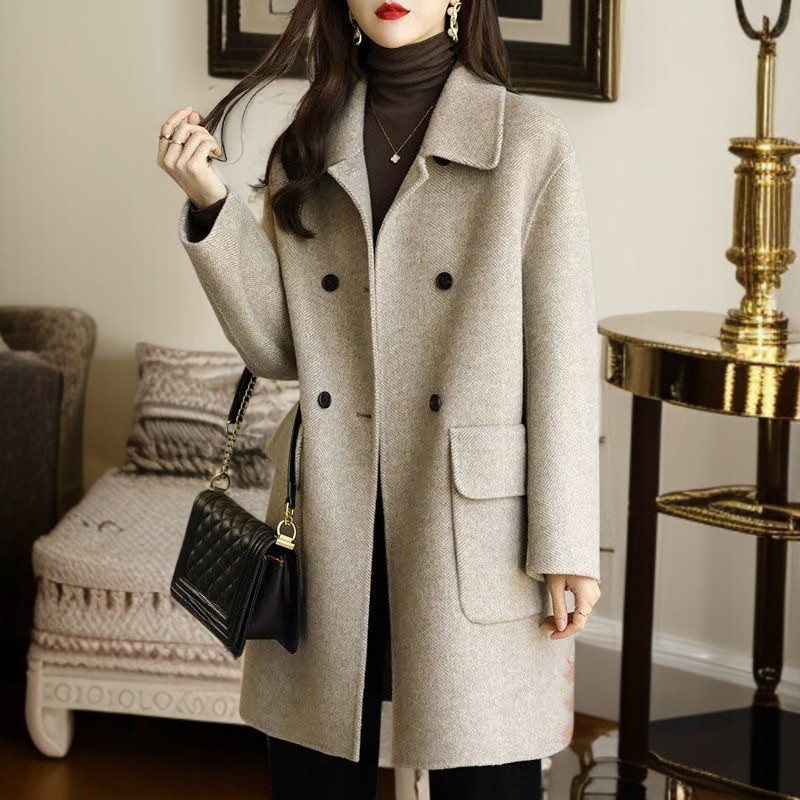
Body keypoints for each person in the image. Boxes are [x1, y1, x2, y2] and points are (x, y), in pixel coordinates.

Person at [157, 1, 602, 798]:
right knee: (317, 772)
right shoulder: (308, 144)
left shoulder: (528, 143)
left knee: (486, 775)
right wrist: (211, 201)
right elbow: (279, 349)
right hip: (336, 505)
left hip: (468, 516)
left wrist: (566, 542)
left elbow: (562, 358)